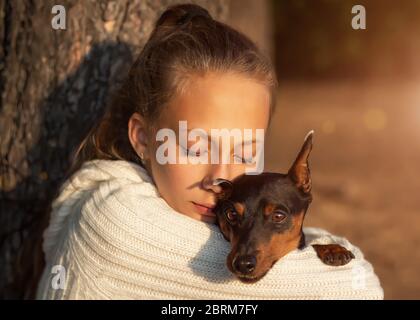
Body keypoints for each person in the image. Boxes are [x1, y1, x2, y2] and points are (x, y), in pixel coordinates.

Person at [36, 3, 383, 299]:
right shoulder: (115, 221)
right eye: (195, 147)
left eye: (245, 153)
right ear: (142, 138)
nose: (220, 177)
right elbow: (354, 286)